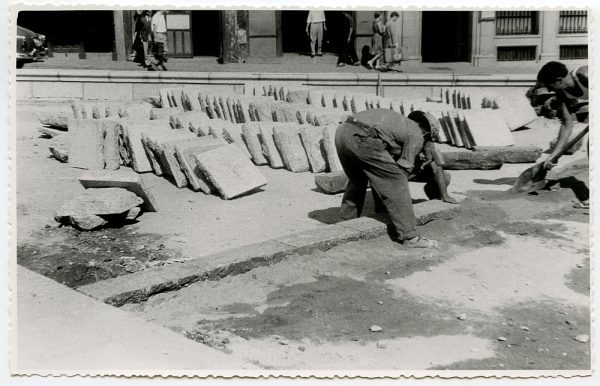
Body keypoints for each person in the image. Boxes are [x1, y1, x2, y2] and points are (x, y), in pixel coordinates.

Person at [334, 109, 456, 248]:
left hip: (342, 132)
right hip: (363, 138)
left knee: (357, 179)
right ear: (427, 132)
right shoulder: (417, 134)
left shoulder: (397, 123)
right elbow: (402, 172)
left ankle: (345, 221)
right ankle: (409, 236)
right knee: (397, 181)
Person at [536, 61, 589, 208]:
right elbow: (567, 124)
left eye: (550, 85)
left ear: (559, 80)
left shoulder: (585, 75)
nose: (550, 90)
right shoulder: (562, 92)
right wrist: (554, 155)